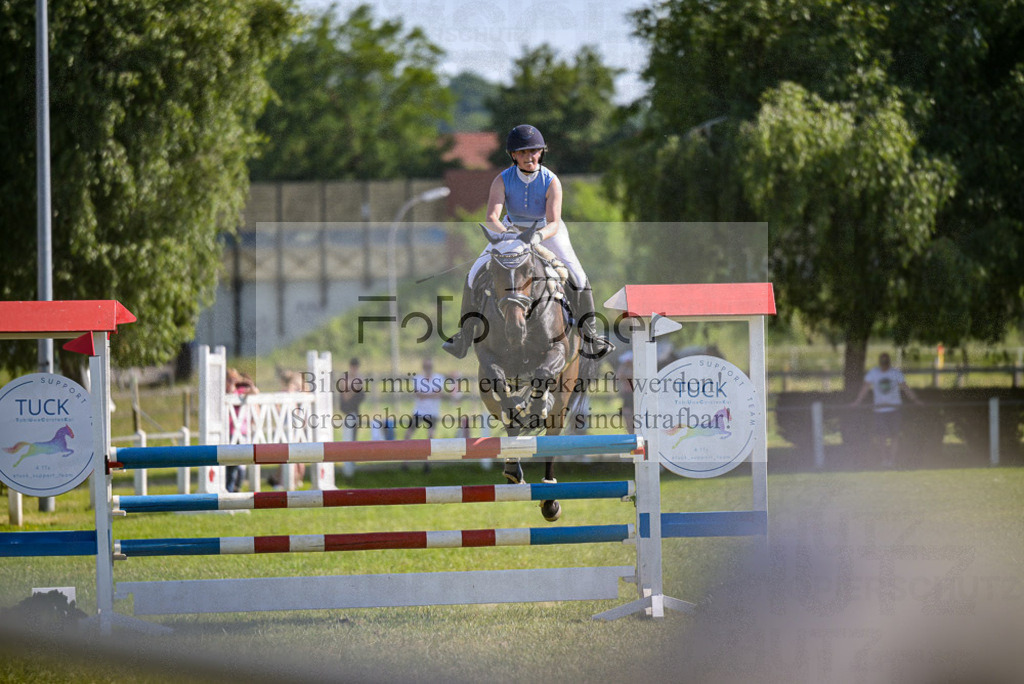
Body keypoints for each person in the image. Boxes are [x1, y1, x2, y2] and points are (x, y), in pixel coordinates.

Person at [442, 124, 614, 361]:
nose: (529, 157)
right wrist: (508, 235)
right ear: (514, 155)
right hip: (510, 231)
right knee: (472, 274)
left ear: (541, 152)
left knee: (578, 275)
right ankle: (464, 336)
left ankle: (591, 335)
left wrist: (536, 236)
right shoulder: (501, 180)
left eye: (533, 151)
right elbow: (491, 218)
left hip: (546, 232)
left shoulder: (551, 181)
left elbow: (554, 221)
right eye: (523, 152)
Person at [851, 352, 923, 468]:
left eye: (886, 362)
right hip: (879, 410)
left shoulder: (895, 373)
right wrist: (857, 402)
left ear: (888, 363)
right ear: (880, 363)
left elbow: (905, 387)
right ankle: (885, 460)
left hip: (894, 409)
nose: (884, 365)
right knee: (881, 436)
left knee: (894, 436)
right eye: (882, 362)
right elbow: (865, 388)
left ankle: (892, 460)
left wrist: (915, 400)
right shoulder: (873, 373)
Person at [224, 368, 259, 492]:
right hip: (229, 431)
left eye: (234, 378)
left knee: (241, 463)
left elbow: (255, 391)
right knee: (230, 464)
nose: (232, 381)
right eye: (229, 379)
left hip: (241, 431)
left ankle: (236, 487)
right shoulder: (224, 393)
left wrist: (245, 382)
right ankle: (229, 488)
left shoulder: (241, 391)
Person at [404, 358, 444, 441]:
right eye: (426, 366)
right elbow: (418, 394)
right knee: (408, 434)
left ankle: (429, 453)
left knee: (431, 436)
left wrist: (424, 395)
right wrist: (432, 394)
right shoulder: (417, 378)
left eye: (429, 366)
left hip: (433, 411)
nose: (428, 368)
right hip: (419, 411)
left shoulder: (439, 377)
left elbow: (439, 394)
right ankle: (403, 452)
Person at [337, 357, 367, 441]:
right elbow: (345, 396)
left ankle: (354, 440)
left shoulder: (359, 377)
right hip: (346, 405)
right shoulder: (345, 377)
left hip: (354, 406)